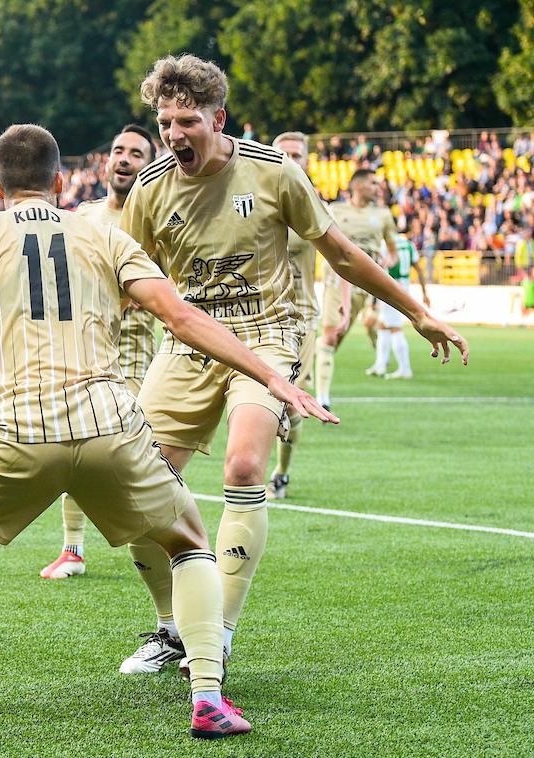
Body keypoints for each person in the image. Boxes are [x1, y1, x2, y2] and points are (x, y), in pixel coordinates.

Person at [0, 124, 341, 741]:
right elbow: (181, 316)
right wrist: (271, 373)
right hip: (110, 430)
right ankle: (209, 697)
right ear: (60, 183)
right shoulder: (103, 235)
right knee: (188, 540)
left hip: (11, 435)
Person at [117, 55, 467, 677]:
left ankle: (216, 632)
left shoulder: (274, 172)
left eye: (186, 121)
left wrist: (417, 311)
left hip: (269, 333)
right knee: (142, 488)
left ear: (218, 117)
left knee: (245, 461)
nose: (173, 136)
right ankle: (174, 626)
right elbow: (127, 276)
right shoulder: (149, 189)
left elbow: (342, 253)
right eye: (165, 123)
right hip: (189, 341)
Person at [39, 123, 158, 580]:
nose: (125, 159)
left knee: (136, 449)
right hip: (81, 349)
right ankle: (73, 549)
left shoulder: (156, 218)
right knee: (76, 441)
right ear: (107, 161)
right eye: (118, 151)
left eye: (137, 154)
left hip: (133, 349)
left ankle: (162, 534)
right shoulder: (82, 216)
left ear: (150, 167)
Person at [267, 131, 321, 501]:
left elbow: (341, 259)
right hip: (258, 316)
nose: (291, 159)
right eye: (283, 153)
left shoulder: (314, 204)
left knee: (291, 403)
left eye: (296, 154)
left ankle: (280, 474)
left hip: (300, 318)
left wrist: (343, 302)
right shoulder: (253, 201)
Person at [314, 169, 398, 409]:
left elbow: (392, 252)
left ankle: (380, 358)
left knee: (358, 329)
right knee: (330, 336)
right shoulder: (335, 211)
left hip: (367, 282)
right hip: (336, 281)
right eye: (373, 183)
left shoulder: (383, 215)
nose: (377, 188)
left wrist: (386, 263)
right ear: (358, 186)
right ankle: (323, 399)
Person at [366, 229, 431, 379]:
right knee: (383, 325)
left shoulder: (386, 245)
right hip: (404, 286)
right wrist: (424, 292)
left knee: (395, 327)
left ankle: (405, 368)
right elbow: (419, 269)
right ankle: (380, 364)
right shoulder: (409, 245)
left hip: (390, 286)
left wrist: (374, 296)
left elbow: (379, 268)